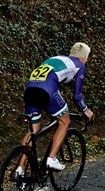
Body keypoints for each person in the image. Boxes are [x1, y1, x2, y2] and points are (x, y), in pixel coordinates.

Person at [20, 42, 95, 173]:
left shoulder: (57, 58)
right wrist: (85, 110)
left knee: (33, 130)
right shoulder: (80, 66)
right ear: (83, 57)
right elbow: (77, 95)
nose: (87, 60)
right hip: (47, 89)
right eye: (87, 57)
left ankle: (19, 169)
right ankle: (52, 158)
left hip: (30, 89)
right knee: (64, 121)